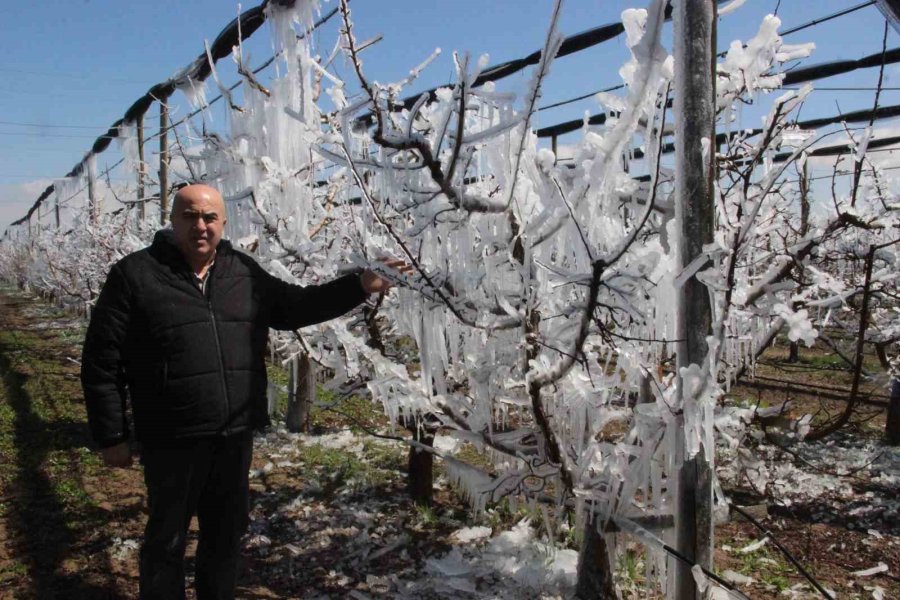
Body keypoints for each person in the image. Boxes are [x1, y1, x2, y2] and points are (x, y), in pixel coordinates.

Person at [81, 183, 403, 600]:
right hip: (171, 436)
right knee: (166, 541)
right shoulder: (135, 275)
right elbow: (101, 361)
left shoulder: (242, 272)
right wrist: (111, 436)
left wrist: (358, 285)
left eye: (210, 217)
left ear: (223, 223)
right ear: (173, 220)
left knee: (225, 537)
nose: (201, 225)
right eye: (190, 216)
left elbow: (296, 307)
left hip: (233, 434)